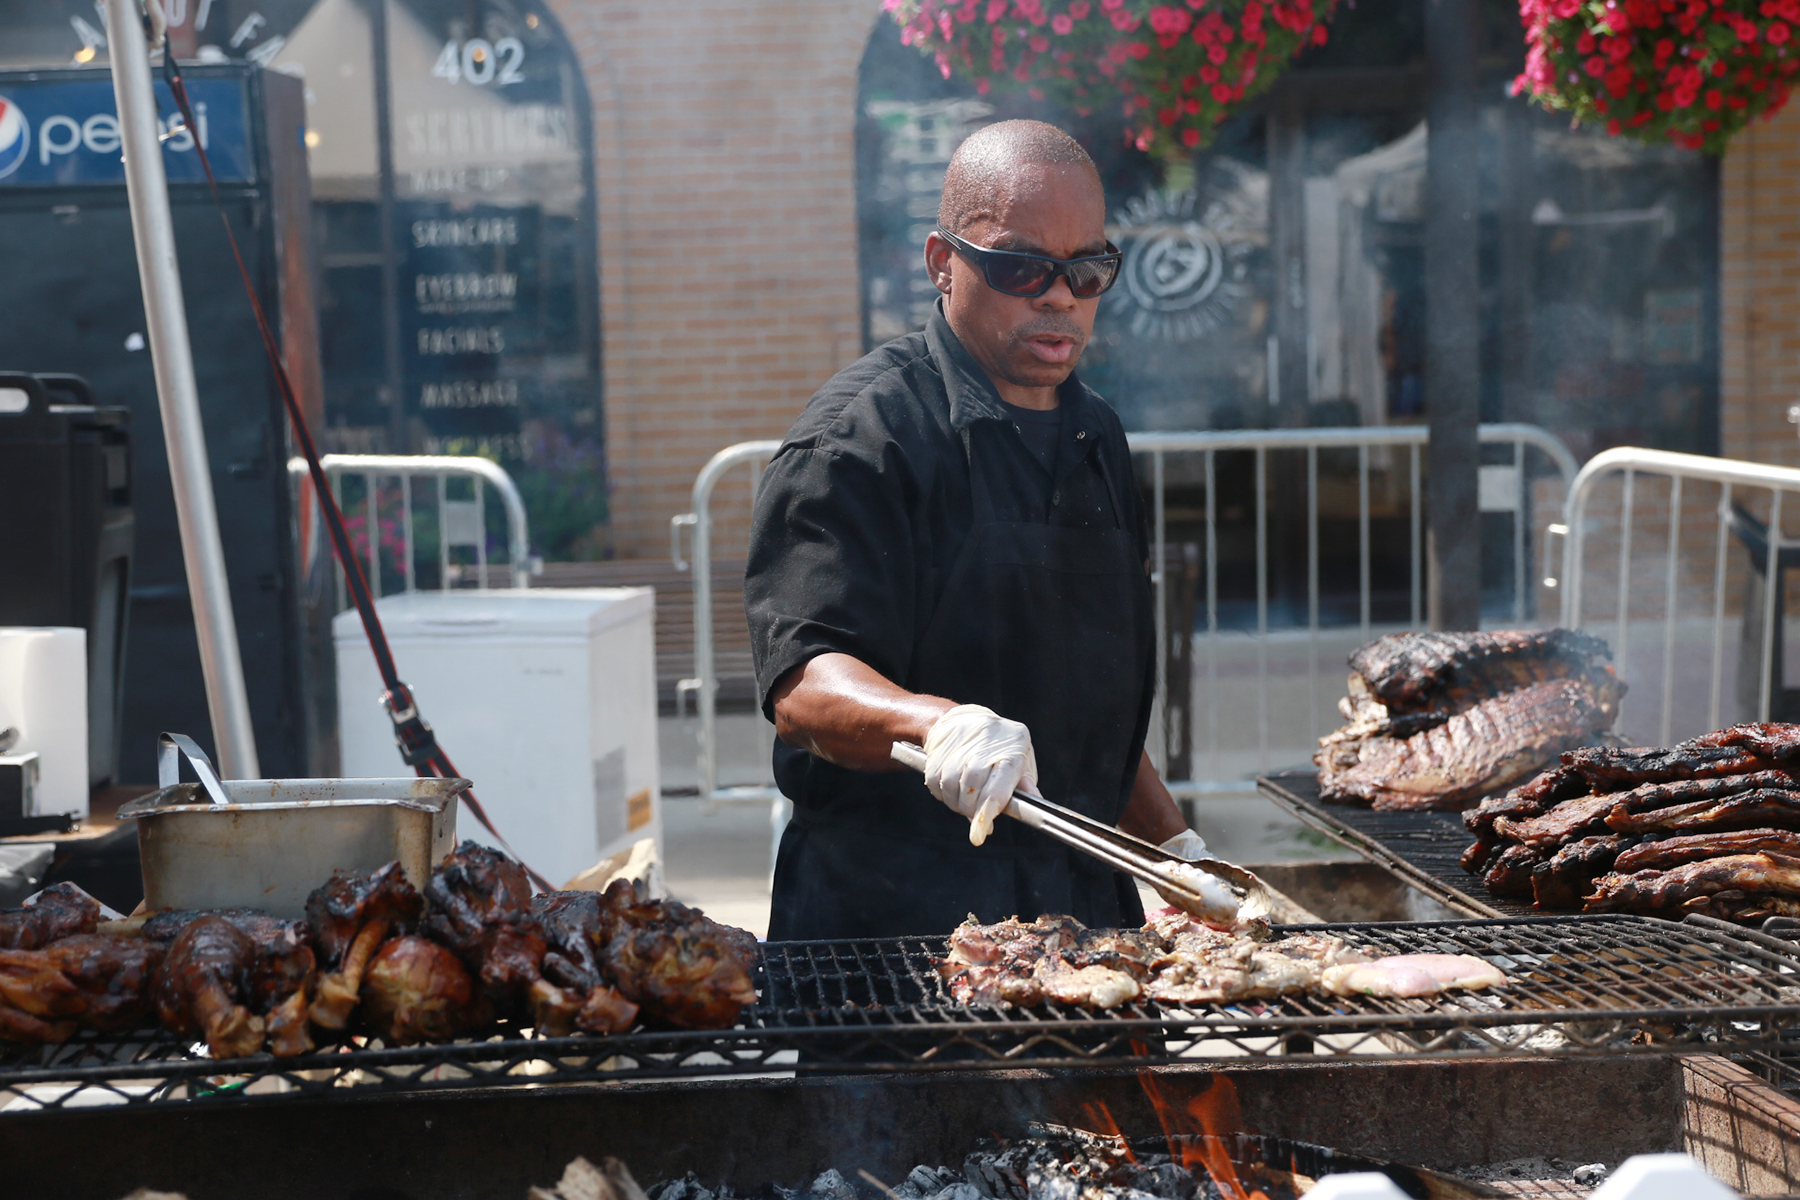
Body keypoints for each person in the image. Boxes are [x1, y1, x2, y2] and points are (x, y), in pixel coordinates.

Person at [745, 119, 1206, 941]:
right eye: (1020, 266)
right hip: (890, 925)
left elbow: (1085, 716)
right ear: (942, 262)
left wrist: (1177, 852)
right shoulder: (860, 437)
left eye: (1087, 270)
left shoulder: (1096, 436)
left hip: (1086, 918)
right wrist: (938, 724)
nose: (1059, 296)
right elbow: (803, 684)